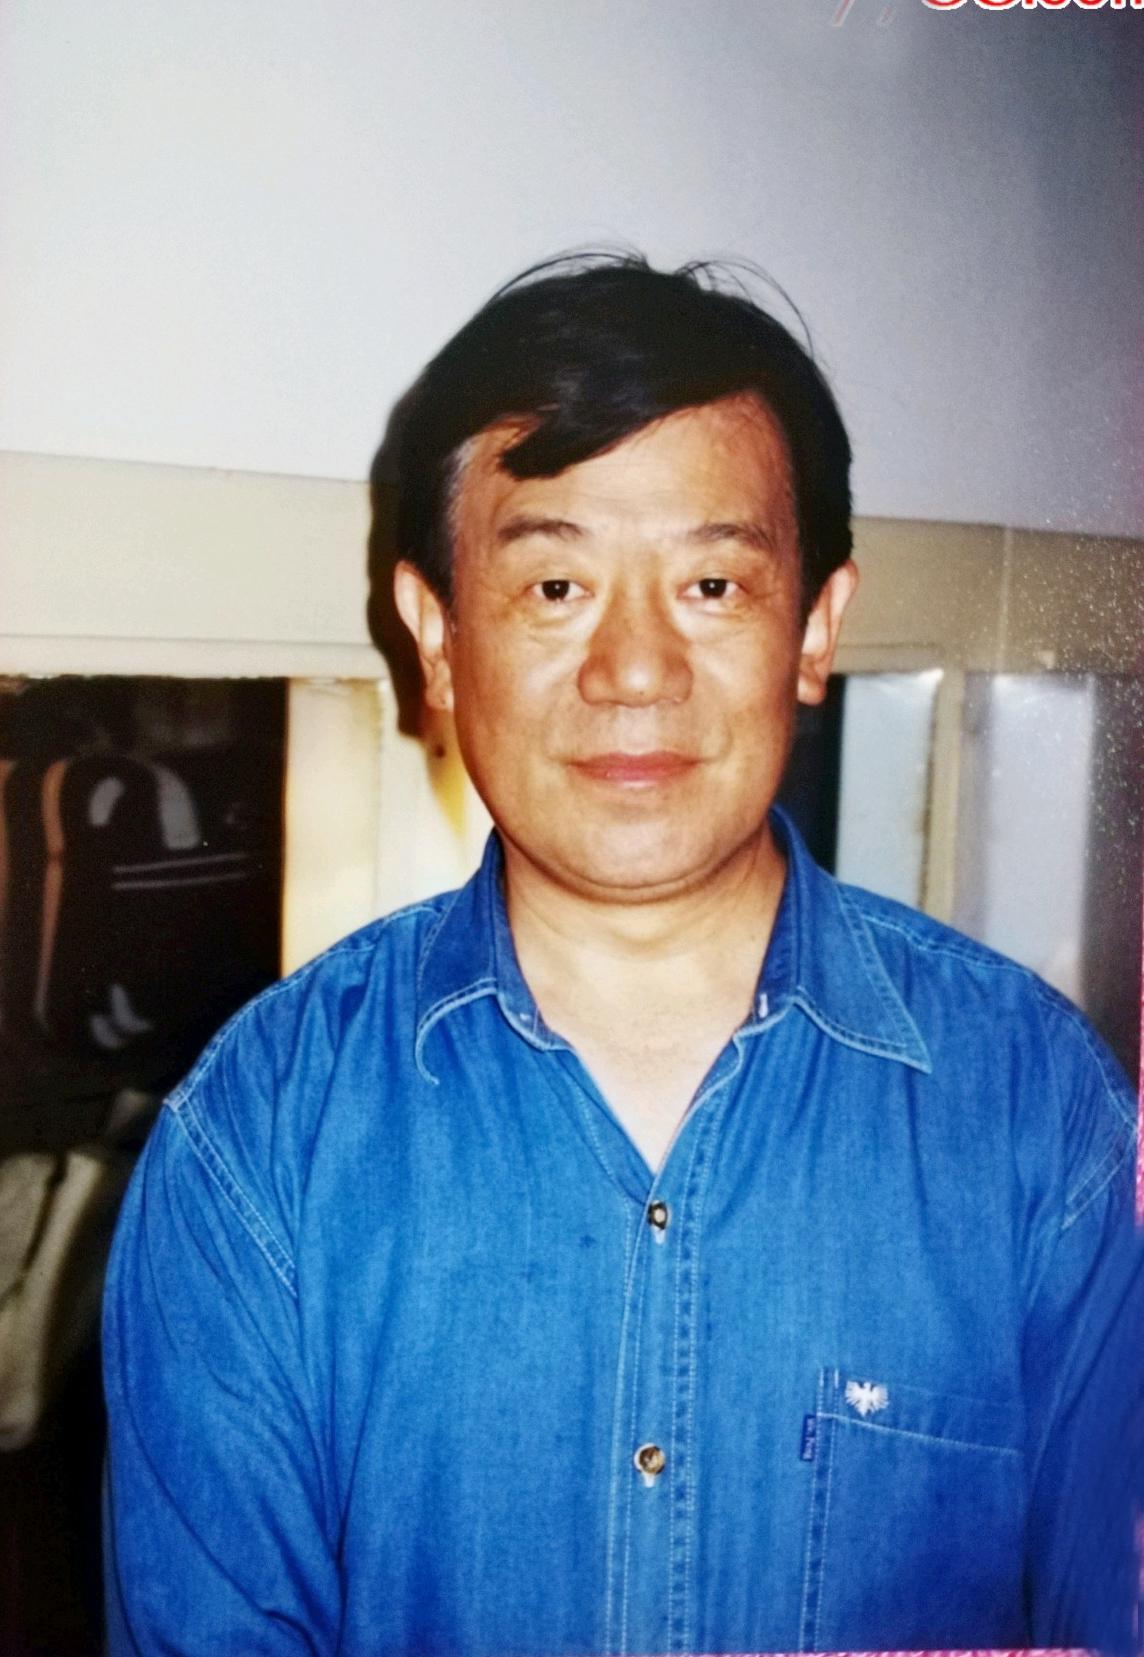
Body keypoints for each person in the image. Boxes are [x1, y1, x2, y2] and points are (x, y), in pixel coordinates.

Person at [102, 255, 1141, 1655]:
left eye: (711, 583)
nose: (634, 670)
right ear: (437, 638)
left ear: (815, 627)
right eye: (554, 587)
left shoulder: (1043, 1119)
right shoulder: (255, 1147)